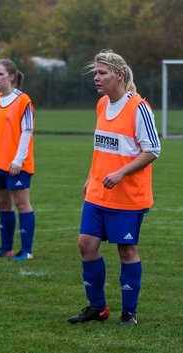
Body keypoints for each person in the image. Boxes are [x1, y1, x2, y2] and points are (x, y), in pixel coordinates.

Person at [68, 50, 160, 327]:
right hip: (99, 191)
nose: (96, 78)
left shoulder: (139, 107)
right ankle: (97, 307)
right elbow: (102, 147)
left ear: (118, 75)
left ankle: (129, 313)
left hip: (127, 195)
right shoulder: (101, 105)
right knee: (86, 245)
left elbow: (152, 150)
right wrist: (91, 175)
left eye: (101, 73)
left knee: (126, 250)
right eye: (95, 73)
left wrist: (121, 173)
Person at [0, 59, 37, 261]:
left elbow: (27, 131)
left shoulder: (23, 100)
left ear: (12, 77)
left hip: (17, 164)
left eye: (0, 74)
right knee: (3, 205)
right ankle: (6, 249)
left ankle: (27, 251)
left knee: (22, 204)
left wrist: (18, 159)